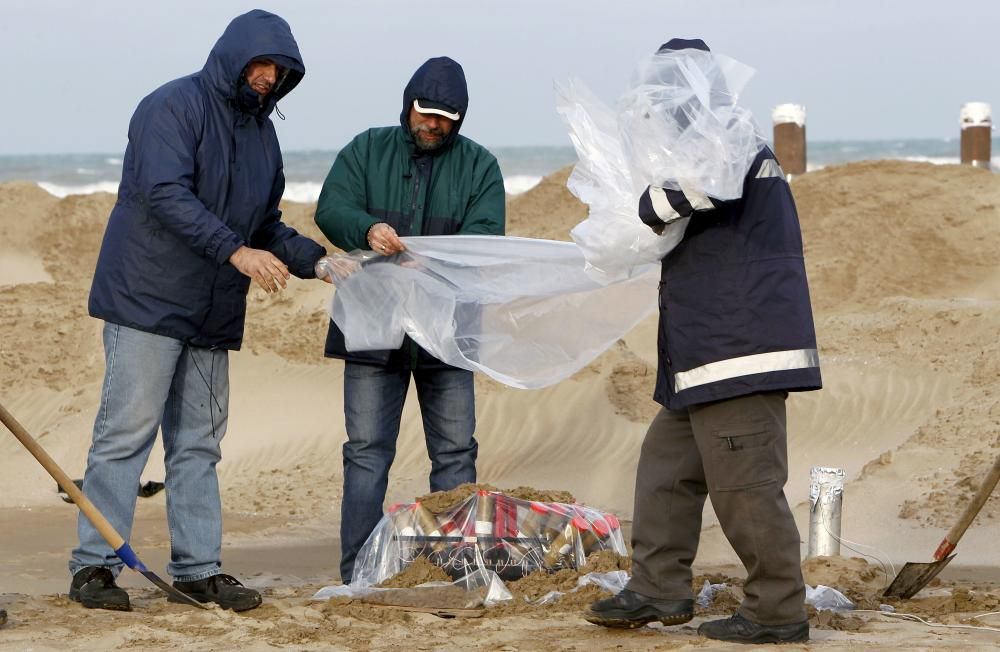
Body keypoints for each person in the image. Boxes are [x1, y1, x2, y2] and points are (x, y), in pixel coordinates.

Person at [68, 10, 326, 612]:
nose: (267, 77)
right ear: (233, 57)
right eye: (260, 64)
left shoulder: (264, 134)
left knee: (198, 445)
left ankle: (199, 571)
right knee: (124, 436)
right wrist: (235, 251)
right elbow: (164, 194)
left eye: (279, 70)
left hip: (212, 312)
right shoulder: (172, 106)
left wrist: (323, 262)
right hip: (146, 300)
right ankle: (94, 568)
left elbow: (264, 224)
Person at [585, 39, 822, 644]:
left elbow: (692, 193)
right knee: (665, 474)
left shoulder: (729, 139)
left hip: (740, 349)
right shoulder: (703, 144)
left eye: (665, 92)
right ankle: (659, 588)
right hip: (698, 354)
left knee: (745, 488)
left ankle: (777, 609)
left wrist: (630, 212)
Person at [313, 56, 505, 583]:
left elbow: (487, 237)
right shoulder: (366, 148)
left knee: (454, 452)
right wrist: (368, 227)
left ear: (459, 120)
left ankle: (459, 568)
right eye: (426, 112)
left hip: (447, 333)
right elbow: (330, 208)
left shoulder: (480, 166)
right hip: (374, 329)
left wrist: (436, 260)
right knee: (367, 452)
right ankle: (358, 571)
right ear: (409, 104)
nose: (433, 125)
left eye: (445, 118)